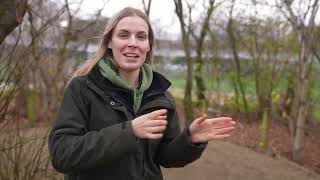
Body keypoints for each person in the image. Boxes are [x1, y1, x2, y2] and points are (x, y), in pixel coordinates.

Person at [48, 7, 236, 180]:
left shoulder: (161, 95)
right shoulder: (82, 88)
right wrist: (130, 132)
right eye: (123, 35)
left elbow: (165, 157)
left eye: (141, 37)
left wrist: (189, 140)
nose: (132, 43)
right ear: (109, 43)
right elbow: (62, 154)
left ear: (149, 46)